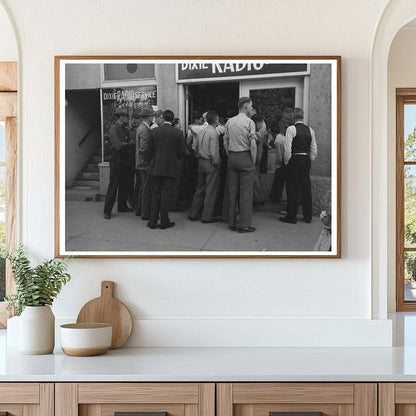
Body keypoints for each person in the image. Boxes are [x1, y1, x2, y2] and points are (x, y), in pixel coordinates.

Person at [147, 110, 185, 230]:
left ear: (162, 118)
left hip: (155, 167)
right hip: (169, 167)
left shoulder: (154, 131)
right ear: (173, 120)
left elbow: (149, 151)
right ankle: (164, 221)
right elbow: (181, 152)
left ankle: (152, 221)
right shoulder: (177, 133)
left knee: (155, 195)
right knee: (165, 195)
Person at [224, 97, 257, 233]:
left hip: (232, 156)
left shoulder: (229, 122)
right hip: (245, 157)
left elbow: (225, 142)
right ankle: (244, 225)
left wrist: (229, 155)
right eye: (250, 106)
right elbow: (253, 145)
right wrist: (252, 161)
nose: (251, 108)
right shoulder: (250, 122)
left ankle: (231, 222)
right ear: (245, 106)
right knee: (246, 192)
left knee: (232, 191)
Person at [280, 107, 318, 224]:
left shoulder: (291, 129)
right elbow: (314, 150)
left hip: (295, 159)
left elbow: (287, 149)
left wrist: (287, 161)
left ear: (293, 117)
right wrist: (309, 158)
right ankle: (308, 217)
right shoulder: (310, 130)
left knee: (293, 188)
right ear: (302, 117)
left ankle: (292, 216)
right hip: (306, 159)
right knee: (306, 188)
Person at [189, 111, 221, 223]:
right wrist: (217, 162)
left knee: (199, 188)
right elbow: (213, 152)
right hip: (210, 162)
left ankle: (193, 213)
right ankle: (206, 216)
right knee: (210, 190)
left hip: (201, 162)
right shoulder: (214, 133)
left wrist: (198, 156)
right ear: (216, 119)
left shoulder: (201, 132)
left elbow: (195, 148)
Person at [103, 108, 133, 219]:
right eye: (125, 116)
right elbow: (118, 146)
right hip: (116, 160)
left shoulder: (124, 129)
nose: (127, 118)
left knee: (124, 184)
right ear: (120, 116)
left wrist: (125, 143)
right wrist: (126, 144)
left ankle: (122, 206)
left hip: (124, 159)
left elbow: (131, 142)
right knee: (114, 185)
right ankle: (107, 211)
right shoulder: (113, 129)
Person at [135, 105, 155, 220]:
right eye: (152, 115)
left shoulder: (142, 127)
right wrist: (150, 161)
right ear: (149, 117)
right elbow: (144, 149)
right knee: (146, 188)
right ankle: (144, 212)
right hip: (144, 164)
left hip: (141, 163)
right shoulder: (144, 129)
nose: (153, 117)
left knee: (143, 187)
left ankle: (139, 209)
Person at [269, 121, 287, 203]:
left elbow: (279, 156)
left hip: (283, 161)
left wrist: (277, 166)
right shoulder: (282, 137)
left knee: (278, 181)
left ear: (272, 132)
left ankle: (275, 198)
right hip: (287, 160)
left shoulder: (277, 140)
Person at [251, 114, 266, 205]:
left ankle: (258, 198)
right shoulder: (257, 135)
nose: (262, 125)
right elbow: (259, 150)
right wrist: (258, 158)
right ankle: (259, 198)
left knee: (255, 179)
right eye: (261, 123)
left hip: (254, 160)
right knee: (256, 179)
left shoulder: (256, 134)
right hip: (255, 160)